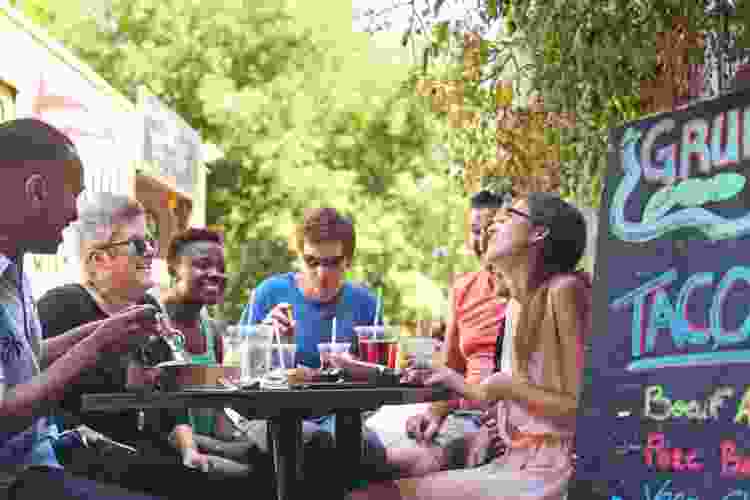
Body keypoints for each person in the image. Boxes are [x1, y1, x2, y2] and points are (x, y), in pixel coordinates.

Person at [349, 192, 592, 500]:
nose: (493, 226)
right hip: (517, 460)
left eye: (508, 217)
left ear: (538, 233)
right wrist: (444, 378)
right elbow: (498, 396)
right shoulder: (516, 305)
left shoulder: (564, 291)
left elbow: (583, 410)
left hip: (554, 470)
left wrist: (507, 388)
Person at [36, 192, 261, 499]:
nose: (151, 253)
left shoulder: (147, 307)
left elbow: (169, 404)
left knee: (261, 470)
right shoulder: (61, 306)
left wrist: (189, 449)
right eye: (138, 245)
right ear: (99, 260)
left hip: (149, 448)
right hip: (91, 456)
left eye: (152, 242)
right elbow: (37, 389)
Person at [0, 117, 167, 499]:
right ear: (37, 190)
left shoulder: (15, 271)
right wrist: (95, 346)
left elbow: (20, 362)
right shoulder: (52, 295)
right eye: (74, 193)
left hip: (44, 459)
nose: (76, 214)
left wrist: (102, 332)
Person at [237, 207, 390, 485]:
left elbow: (383, 379)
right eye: (311, 262)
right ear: (298, 257)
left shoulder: (365, 304)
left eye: (333, 263)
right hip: (270, 416)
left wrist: (351, 368)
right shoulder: (270, 293)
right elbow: (238, 374)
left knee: (370, 451)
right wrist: (264, 337)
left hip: (338, 417)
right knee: (311, 445)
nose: (322, 273)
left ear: (349, 260)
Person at [158, 228, 262, 473]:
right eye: (203, 265)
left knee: (283, 454)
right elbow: (159, 413)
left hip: (208, 445)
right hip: (173, 451)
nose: (215, 274)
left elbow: (217, 408)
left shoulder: (211, 330)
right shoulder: (155, 321)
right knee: (261, 474)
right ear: (173, 269)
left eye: (220, 267)